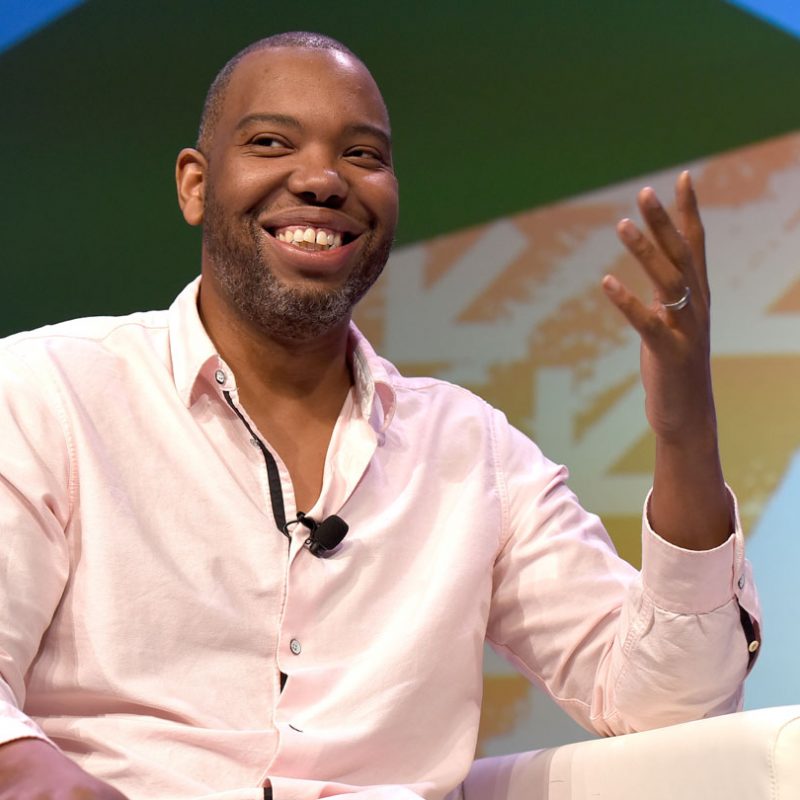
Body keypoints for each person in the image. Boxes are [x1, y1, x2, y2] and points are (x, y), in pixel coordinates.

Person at [0, 31, 759, 800]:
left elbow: (671, 704)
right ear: (195, 184)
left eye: (363, 156)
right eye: (271, 142)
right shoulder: (47, 393)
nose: (323, 179)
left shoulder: (471, 452)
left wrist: (684, 427)